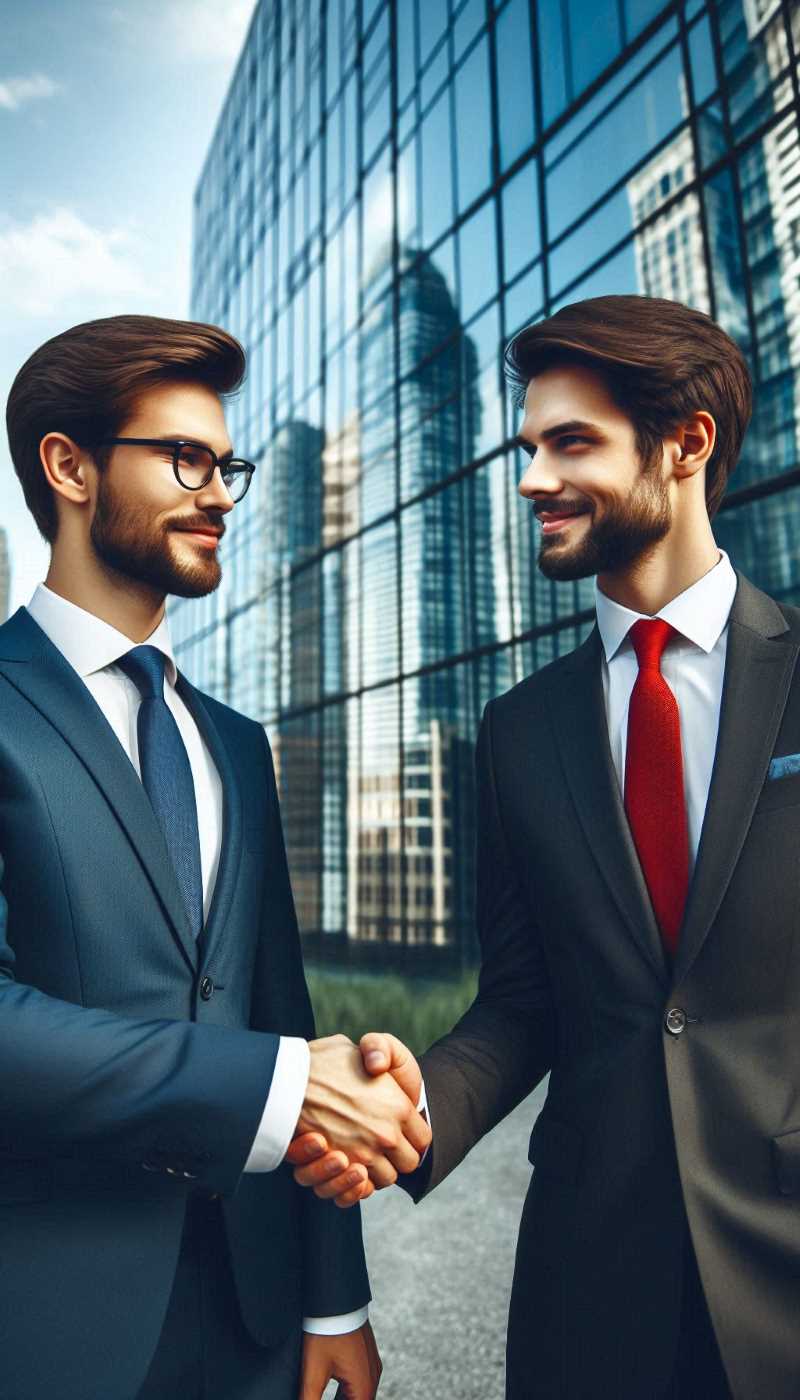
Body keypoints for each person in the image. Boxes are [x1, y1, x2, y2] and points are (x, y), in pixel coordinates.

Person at [292, 295, 800, 1398]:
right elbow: (524, 998)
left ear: (685, 444)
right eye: (528, 445)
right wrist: (409, 1101)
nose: (528, 478)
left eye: (569, 442)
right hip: (589, 1283)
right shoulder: (519, 729)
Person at [0, 314, 430, 1400]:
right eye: (185, 458)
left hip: (252, 1317)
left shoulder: (236, 743)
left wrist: (335, 1295)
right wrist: (285, 1087)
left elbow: (277, 1001)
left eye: (226, 462)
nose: (223, 493)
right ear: (69, 466)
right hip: (44, 1316)